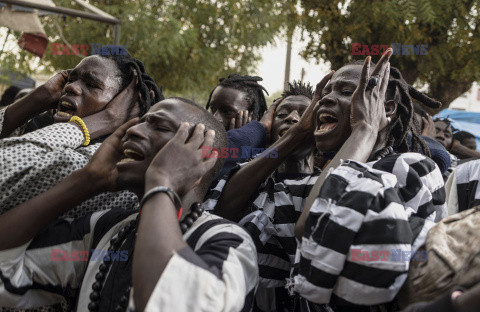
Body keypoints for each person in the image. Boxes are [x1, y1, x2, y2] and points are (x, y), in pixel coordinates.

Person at [209, 49, 446, 311]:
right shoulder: (303, 185)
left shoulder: (408, 170)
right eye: (325, 93)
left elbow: (316, 227)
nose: (326, 100)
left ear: (385, 107)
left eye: (346, 92)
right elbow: (220, 211)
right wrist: (297, 133)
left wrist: (365, 128)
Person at [0, 98, 258, 312]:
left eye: (158, 126)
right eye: (141, 121)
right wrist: (86, 181)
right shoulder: (104, 229)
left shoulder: (230, 243)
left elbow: (172, 300)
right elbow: (6, 267)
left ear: (200, 158)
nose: (133, 130)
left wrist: (163, 182)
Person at [0, 53, 163, 218]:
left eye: (91, 84)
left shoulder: (109, 163)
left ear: (126, 106)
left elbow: (5, 166)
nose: (70, 87)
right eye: (71, 80)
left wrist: (101, 121)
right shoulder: (40, 126)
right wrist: (40, 97)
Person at [206, 81, 316, 311]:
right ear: (267, 128)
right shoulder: (248, 179)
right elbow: (220, 210)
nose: (293, 118)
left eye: (304, 115)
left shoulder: (328, 182)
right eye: (282, 114)